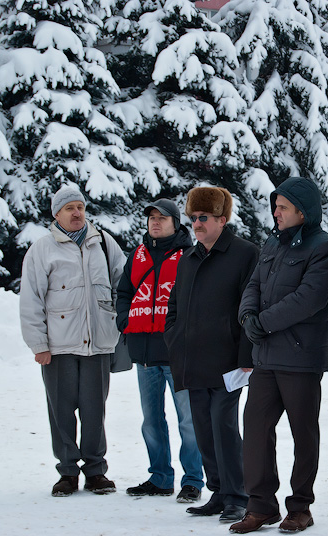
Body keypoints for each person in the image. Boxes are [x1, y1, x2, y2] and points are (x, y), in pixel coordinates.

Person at [231, 176, 328, 534]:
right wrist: (247, 316)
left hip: (301, 357)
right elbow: (254, 284)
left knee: (303, 434)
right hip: (265, 356)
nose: (275, 213)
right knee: (256, 429)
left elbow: (309, 299)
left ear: (301, 211)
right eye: (275, 206)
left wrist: (261, 323)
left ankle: (300, 507)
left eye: (282, 207)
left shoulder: (325, 248)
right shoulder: (272, 243)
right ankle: (261, 505)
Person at [20, 184, 125, 497]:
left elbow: (124, 287)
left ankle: (95, 471)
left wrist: (120, 330)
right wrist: (38, 344)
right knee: (61, 411)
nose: (77, 212)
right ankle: (67, 472)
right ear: (57, 214)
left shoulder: (105, 244)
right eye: (69, 208)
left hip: (99, 345)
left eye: (80, 206)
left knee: (95, 411)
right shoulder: (42, 249)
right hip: (58, 347)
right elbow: (31, 300)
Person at [163, 187, 259, 523]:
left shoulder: (245, 254)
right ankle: (218, 492)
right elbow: (174, 306)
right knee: (203, 428)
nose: (196, 224)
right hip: (193, 361)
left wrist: (246, 355)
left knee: (224, 427)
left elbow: (252, 307)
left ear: (222, 219)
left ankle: (238, 495)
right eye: (193, 218)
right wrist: (174, 337)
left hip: (228, 362)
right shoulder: (188, 259)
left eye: (203, 218)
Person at [115, 199, 204, 502]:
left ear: (176, 223)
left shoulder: (189, 255)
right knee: (151, 421)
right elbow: (124, 292)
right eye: (152, 217)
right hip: (144, 354)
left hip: (178, 354)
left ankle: (192, 480)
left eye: (162, 218)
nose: (155, 222)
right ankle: (161, 477)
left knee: (188, 421)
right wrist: (124, 318)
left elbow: (198, 298)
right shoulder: (137, 255)